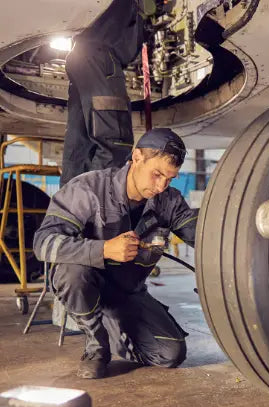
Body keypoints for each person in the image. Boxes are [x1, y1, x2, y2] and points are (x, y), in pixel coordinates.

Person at [34, 128, 198, 379]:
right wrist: (103, 249)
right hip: (89, 284)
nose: (161, 185)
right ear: (137, 157)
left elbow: (203, 235)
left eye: (170, 178)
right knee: (72, 270)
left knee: (170, 353)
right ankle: (96, 343)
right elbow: (43, 243)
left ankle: (112, 324)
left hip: (128, 293)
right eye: (157, 174)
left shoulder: (169, 201)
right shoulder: (88, 189)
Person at [60, 0, 147, 186]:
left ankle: (69, 209)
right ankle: (92, 205)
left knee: (81, 147)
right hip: (101, 57)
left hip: (85, 54)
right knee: (115, 141)